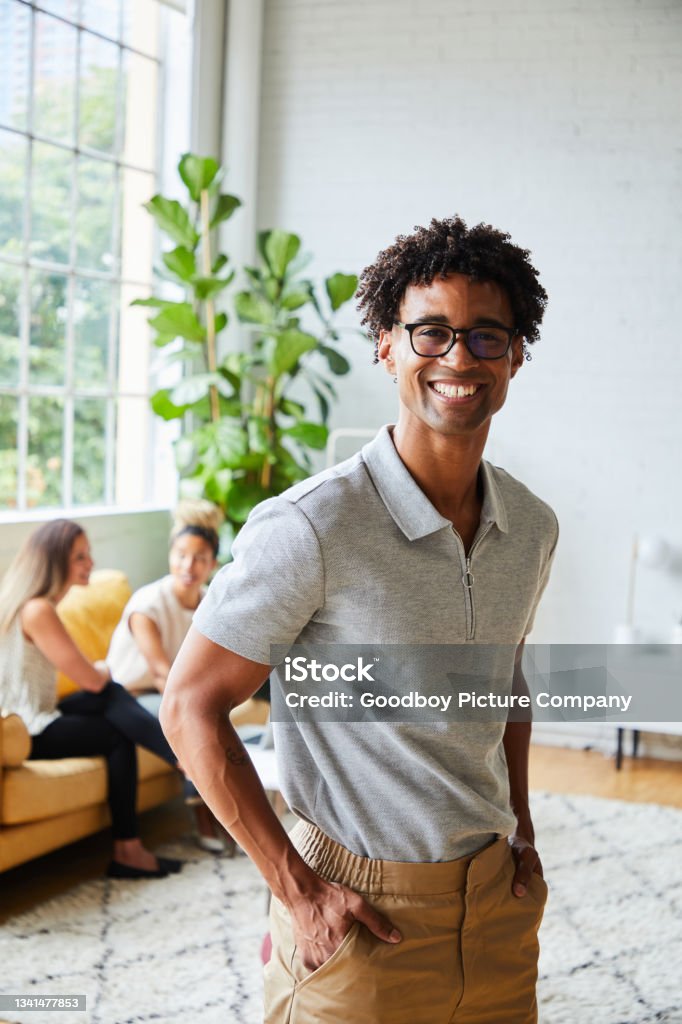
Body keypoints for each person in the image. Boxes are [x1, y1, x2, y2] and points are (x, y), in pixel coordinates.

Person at [161, 215, 559, 1022]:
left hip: (496, 909)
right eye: (431, 332)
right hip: (359, 913)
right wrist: (297, 891)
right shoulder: (312, 525)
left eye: (487, 336)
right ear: (386, 345)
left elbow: (507, 680)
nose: (458, 358)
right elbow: (187, 706)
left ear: (516, 354)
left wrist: (521, 829)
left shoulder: (533, 525)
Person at [0, 519, 187, 880]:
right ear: (55, 562)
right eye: (80, 557)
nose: (90, 564)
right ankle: (182, 763)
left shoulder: (24, 603)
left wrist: (100, 673)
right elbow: (91, 679)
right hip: (26, 733)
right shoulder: (37, 609)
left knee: (110, 701)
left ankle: (179, 761)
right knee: (113, 718)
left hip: (34, 716)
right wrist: (103, 668)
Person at [107, 500, 227, 852]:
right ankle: (205, 815)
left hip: (174, 690)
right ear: (170, 555)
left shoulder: (209, 603)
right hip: (130, 693)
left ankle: (221, 810)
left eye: (199, 558)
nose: (188, 566)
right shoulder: (147, 604)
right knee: (193, 724)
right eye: (181, 555)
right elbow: (161, 671)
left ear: (213, 564)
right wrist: (191, 708)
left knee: (211, 720)